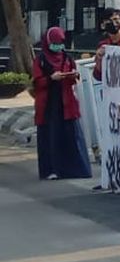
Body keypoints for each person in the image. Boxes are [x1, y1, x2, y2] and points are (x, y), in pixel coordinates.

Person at [32, 28, 92, 180]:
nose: (58, 46)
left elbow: (74, 78)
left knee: (71, 136)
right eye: (55, 43)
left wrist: (72, 75)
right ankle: (52, 170)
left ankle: (76, 170)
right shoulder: (41, 59)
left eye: (60, 43)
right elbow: (37, 82)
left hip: (67, 103)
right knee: (51, 137)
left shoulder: (67, 57)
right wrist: (51, 78)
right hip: (49, 105)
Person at [92, 7, 120, 82]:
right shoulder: (103, 45)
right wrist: (99, 59)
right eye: (109, 20)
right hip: (111, 89)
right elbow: (98, 76)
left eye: (116, 19)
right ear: (103, 25)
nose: (114, 23)